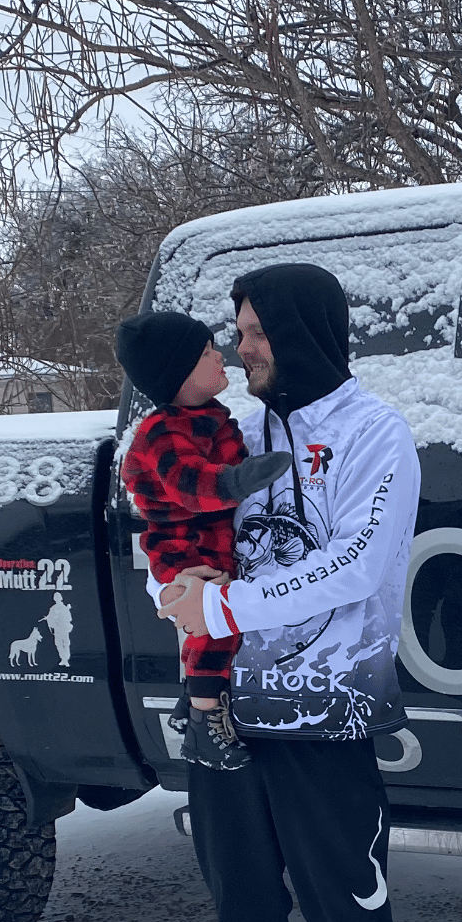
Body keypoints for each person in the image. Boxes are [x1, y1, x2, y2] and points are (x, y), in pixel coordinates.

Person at [152, 262, 443, 922]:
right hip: (225, 711)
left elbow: (358, 562)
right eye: (236, 334)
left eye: (252, 333)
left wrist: (227, 607)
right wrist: (176, 586)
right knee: (240, 908)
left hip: (325, 706)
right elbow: (168, 518)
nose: (239, 352)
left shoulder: (374, 434)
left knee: (349, 905)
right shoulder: (231, 430)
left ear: (300, 331)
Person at [115, 312, 289, 771]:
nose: (222, 356)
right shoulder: (162, 432)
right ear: (177, 374)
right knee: (214, 628)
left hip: (211, 539)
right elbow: (190, 486)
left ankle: (191, 703)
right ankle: (203, 723)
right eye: (207, 353)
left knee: (212, 626)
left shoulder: (206, 417)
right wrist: (239, 480)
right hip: (184, 546)